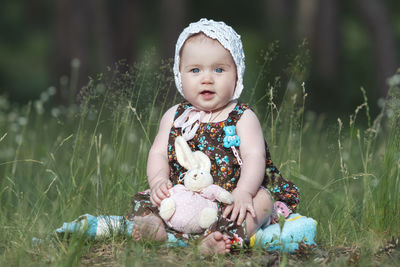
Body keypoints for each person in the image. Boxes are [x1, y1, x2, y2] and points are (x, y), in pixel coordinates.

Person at [127, 18, 299, 255]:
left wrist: (244, 191)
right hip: (180, 200)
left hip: (228, 201)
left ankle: (221, 237)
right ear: (180, 74)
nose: (206, 78)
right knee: (147, 199)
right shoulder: (174, 116)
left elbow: (254, 156)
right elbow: (157, 153)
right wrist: (158, 182)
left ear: (237, 74)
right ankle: (153, 226)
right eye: (195, 70)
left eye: (219, 70)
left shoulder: (242, 116)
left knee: (262, 203)